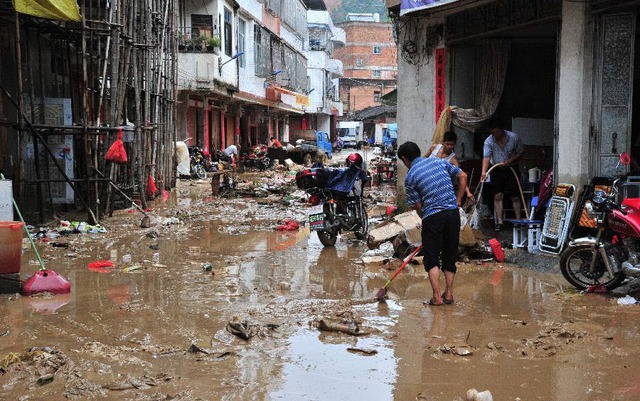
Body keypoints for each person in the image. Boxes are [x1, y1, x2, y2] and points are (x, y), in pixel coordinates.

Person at [398, 141, 467, 306]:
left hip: (433, 217)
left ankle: (437, 297)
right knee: (450, 255)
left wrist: (426, 220)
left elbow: (418, 206)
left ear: (405, 159)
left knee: (432, 258)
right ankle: (449, 294)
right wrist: (457, 200)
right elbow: (463, 175)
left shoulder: (410, 177)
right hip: (452, 215)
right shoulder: (439, 161)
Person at [480, 123, 524, 232]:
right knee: (498, 195)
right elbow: (486, 157)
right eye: (493, 133)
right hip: (496, 169)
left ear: (502, 130)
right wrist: (484, 172)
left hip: (511, 168)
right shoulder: (489, 141)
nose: (495, 135)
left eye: (497, 132)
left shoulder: (514, 137)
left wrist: (510, 161)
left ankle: (518, 221)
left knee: (515, 196)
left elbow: (521, 152)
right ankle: (500, 222)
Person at [425, 131, 474, 202]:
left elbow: (461, 176)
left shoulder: (453, 160)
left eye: (452, 144)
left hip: (440, 187)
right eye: (447, 144)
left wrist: (468, 192)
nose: (449, 147)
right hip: (427, 181)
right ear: (443, 142)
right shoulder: (434, 147)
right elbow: (423, 159)